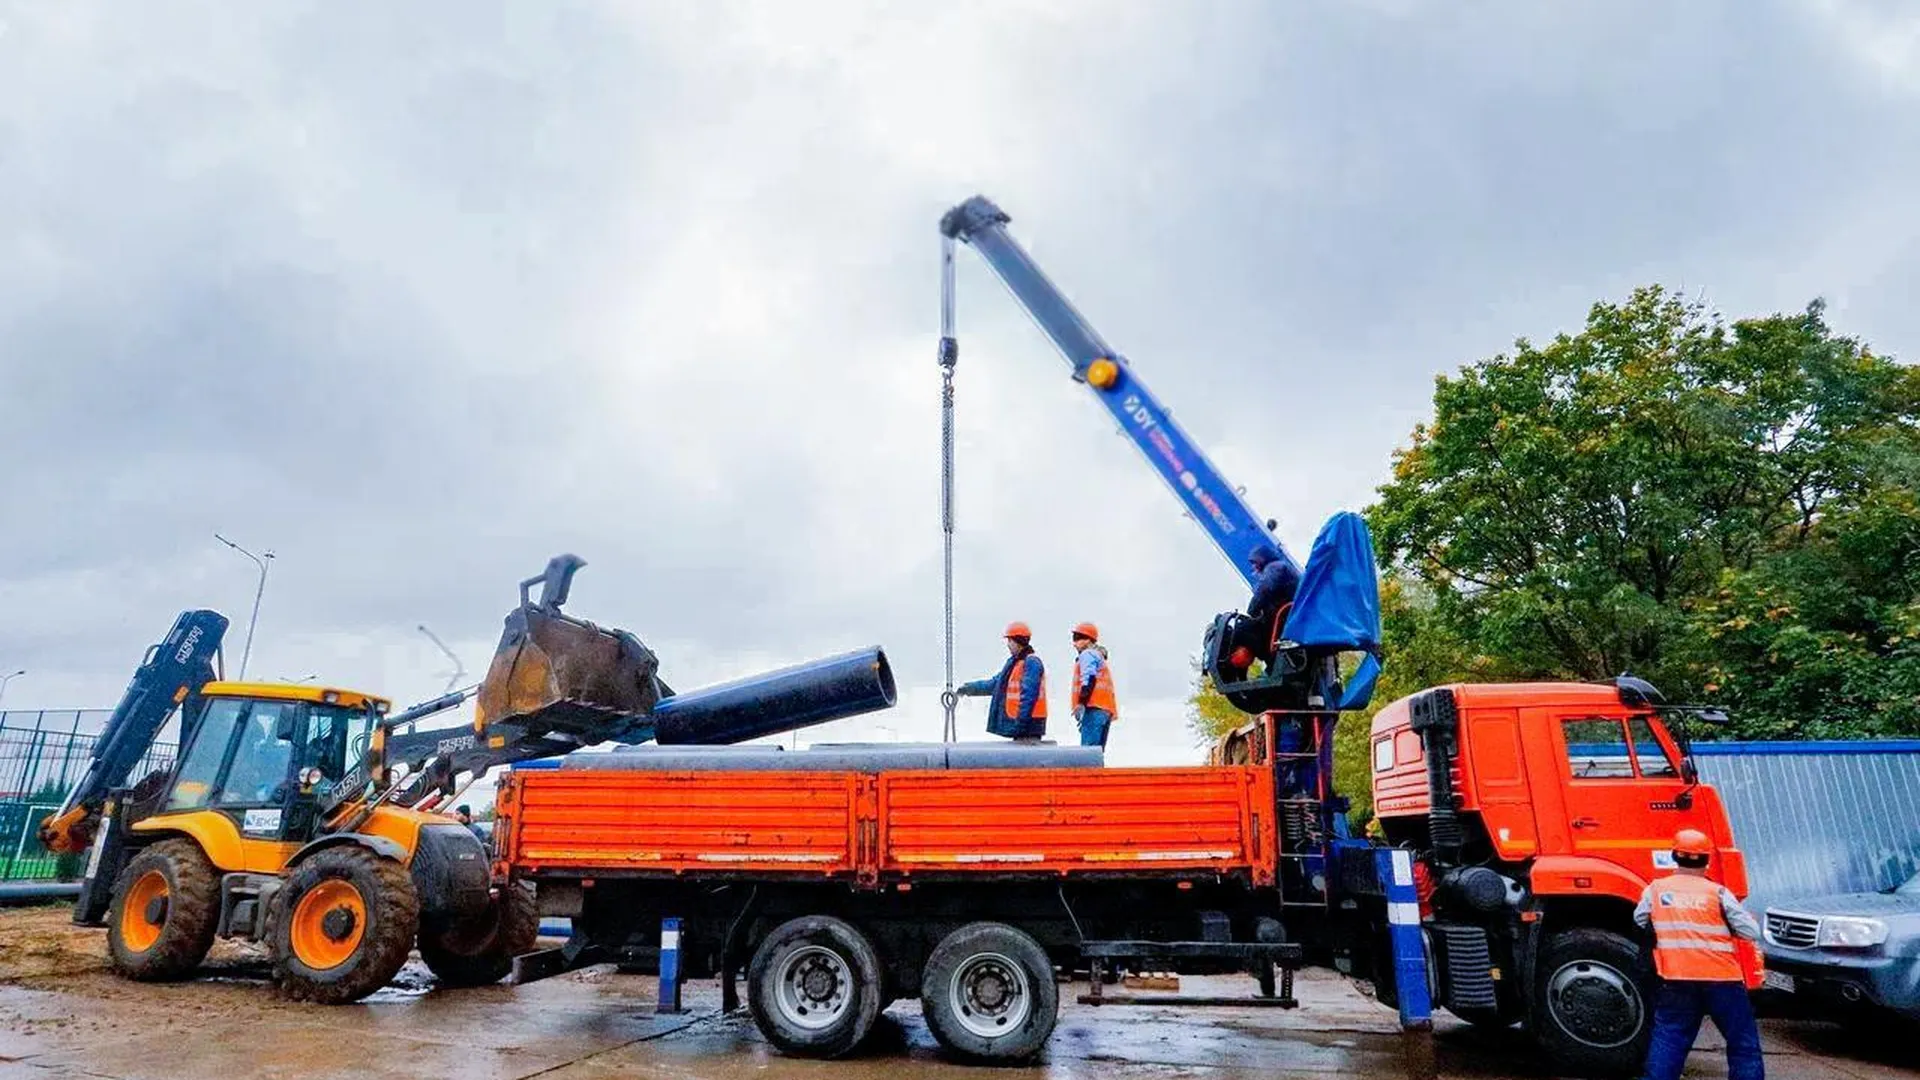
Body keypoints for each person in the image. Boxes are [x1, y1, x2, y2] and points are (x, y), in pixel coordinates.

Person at [1635, 828, 1764, 1080]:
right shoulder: (1717, 893)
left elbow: (1639, 919)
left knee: (1669, 1039)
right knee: (1742, 1043)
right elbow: (1751, 931)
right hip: (1723, 981)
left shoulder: (1656, 890)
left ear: (1675, 856)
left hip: (1676, 978)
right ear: (1707, 860)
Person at [955, 622, 1048, 742]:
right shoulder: (1014, 665)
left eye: (1010, 641)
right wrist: (967, 688)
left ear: (1018, 641)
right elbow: (994, 685)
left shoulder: (1031, 663)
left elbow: (1029, 696)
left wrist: (1021, 723)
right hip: (1021, 725)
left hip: (1030, 726)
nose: (1008, 645)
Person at [1228, 544, 1299, 670]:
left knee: (1241, 630)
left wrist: (1252, 610)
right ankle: (1271, 664)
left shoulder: (1275, 568)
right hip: (1284, 619)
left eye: (1255, 562)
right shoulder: (1282, 568)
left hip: (1282, 619)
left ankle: (1269, 663)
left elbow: (1264, 590)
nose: (1253, 567)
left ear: (1262, 558)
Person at [1067, 623, 1118, 748]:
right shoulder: (1098, 657)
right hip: (1104, 709)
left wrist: (1081, 703)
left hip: (1093, 708)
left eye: (1077, 639)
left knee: (1088, 754)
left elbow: (1089, 678)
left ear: (1088, 640)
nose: (1074, 643)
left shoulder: (1087, 654)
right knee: (1097, 754)